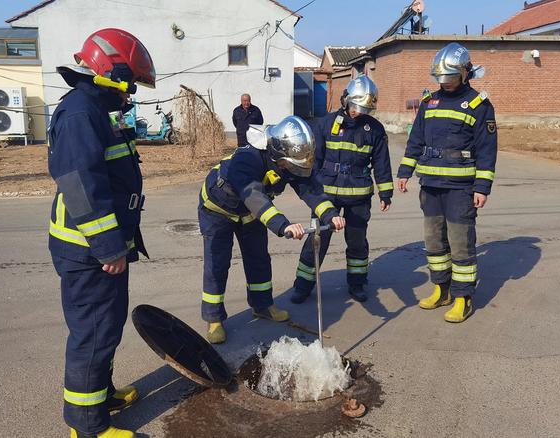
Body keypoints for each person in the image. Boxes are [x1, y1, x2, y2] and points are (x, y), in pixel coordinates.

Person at [47, 28, 156, 438]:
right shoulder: (81, 113)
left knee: (106, 328)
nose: (131, 94)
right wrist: (109, 246)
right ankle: (87, 427)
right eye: (130, 84)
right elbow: (79, 184)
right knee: (92, 334)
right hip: (90, 250)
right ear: (110, 72)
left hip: (102, 248)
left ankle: (100, 396)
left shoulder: (94, 108)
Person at [199, 116, 346, 344]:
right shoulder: (248, 158)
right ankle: (214, 318)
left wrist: (331, 214)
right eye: (290, 164)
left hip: (250, 214)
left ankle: (262, 305)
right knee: (217, 263)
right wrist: (283, 225)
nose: (293, 168)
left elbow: (310, 189)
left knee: (258, 259)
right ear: (277, 153)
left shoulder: (286, 161)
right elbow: (254, 196)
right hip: (218, 210)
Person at [396, 42, 497, 323]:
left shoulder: (479, 105)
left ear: (465, 73)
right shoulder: (429, 102)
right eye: (442, 79)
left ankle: (463, 297)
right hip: (430, 184)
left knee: (461, 243)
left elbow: (487, 150)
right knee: (434, 242)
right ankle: (442, 289)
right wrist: (405, 172)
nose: (446, 83)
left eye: (451, 77)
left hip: (460, 188)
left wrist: (482, 187)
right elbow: (416, 140)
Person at [291, 75, 394, 304]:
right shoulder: (325, 124)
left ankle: (357, 284)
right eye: (356, 106)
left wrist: (385, 193)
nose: (358, 112)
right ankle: (303, 285)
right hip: (327, 197)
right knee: (316, 241)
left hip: (359, 197)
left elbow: (381, 163)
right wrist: (314, 194)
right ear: (346, 100)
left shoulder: (374, 129)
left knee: (357, 243)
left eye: (364, 108)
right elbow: (314, 161)